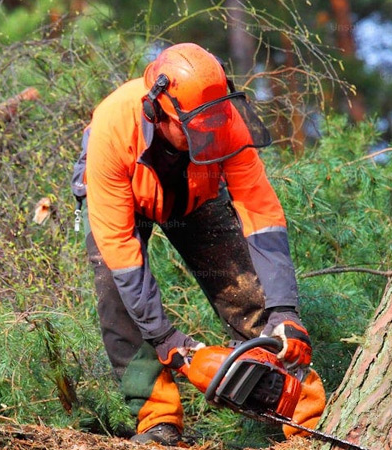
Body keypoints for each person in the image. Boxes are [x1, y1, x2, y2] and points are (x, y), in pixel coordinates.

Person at [70, 42, 325, 445]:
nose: (207, 134)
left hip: (197, 191)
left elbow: (261, 214)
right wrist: (168, 341)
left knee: (244, 286)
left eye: (213, 124)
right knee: (118, 299)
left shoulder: (224, 120)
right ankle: (158, 421)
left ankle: (302, 413)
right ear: (158, 111)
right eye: (194, 128)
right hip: (124, 194)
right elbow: (120, 246)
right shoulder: (113, 127)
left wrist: (284, 310)